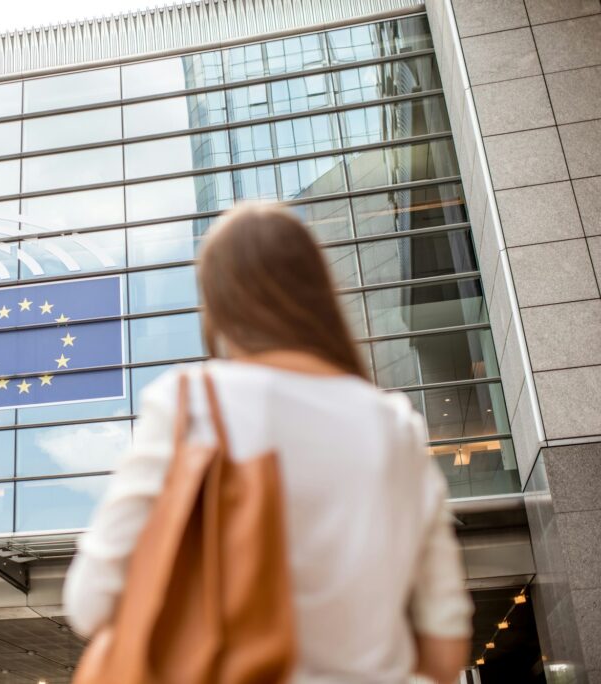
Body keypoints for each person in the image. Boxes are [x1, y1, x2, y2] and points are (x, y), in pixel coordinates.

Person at [63, 203, 473, 683]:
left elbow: (90, 601)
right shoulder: (396, 426)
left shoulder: (191, 403)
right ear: (318, 295)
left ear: (218, 306)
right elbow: (445, 647)